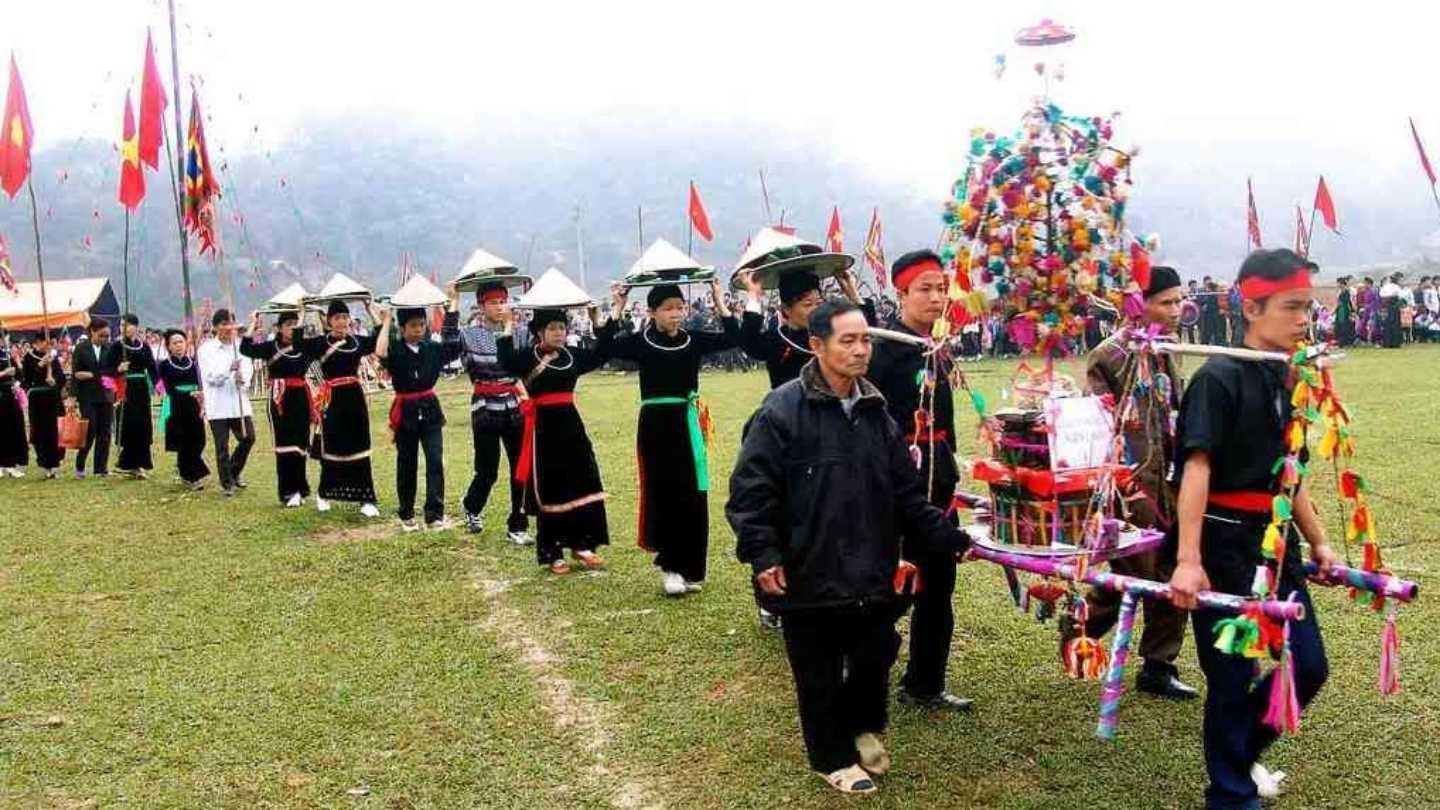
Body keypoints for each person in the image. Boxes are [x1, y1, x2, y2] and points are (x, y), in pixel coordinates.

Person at [727, 298, 970, 795]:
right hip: (807, 564)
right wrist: (764, 554)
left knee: (876, 650)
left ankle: (860, 725)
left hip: (870, 561)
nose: (861, 351)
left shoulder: (876, 411)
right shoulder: (781, 411)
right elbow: (751, 492)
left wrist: (951, 537)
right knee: (816, 671)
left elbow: (906, 494)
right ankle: (832, 758)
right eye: (849, 341)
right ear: (817, 346)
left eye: (866, 340)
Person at [1168, 248, 1337, 810]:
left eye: (1307, 308)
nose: (1302, 320)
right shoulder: (1218, 378)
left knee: (1308, 666)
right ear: (1251, 306)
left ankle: (1241, 751)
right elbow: (1195, 469)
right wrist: (1188, 560)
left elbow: (1292, 472)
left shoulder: (1289, 377)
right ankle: (1232, 794)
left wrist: (1319, 542)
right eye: (1291, 307)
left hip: (1275, 541)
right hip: (1221, 541)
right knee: (1232, 673)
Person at [1061, 266, 1197, 699]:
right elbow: (1095, 420)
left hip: (1172, 480)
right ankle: (1079, 630)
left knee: (1174, 570)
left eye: (1179, 301)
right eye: (1166, 302)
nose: (1177, 310)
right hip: (1129, 484)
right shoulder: (1110, 354)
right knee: (1131, 576)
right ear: (1139, 304)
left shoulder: (1166, 347)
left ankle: (1159, 665)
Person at [866, 249, 972, 712]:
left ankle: (925, 684)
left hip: (938, 480)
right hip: (897, 487)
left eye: (940, 288)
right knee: (891, 588)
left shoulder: (936, 346)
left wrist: (947, 467)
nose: (935, 297)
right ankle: (855, 670)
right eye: (924, 289)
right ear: (901, 292)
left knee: (938, 587)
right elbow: (875, 425)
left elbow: (944, 420)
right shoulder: (883, 350)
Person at [735, 266, 867, 627]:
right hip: (786, 435)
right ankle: (769, 598)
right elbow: (747, 340)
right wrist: (753, 295)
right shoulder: (777, 341)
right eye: (808, 304)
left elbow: (863, 329)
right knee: (781, 515)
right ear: (788, 310)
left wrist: (849, 286)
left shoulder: (834, 341)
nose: (815, 308)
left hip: (832, 434)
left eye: (819, 301)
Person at [598, 279, 740, 597]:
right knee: (665, 492)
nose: (676, 314)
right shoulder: (642, 342)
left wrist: (718, 298)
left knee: (693, 492)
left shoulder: (693, 340)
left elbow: (734, 336)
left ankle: (691, 568)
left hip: (688, 422)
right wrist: (618, 305)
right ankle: (671, 567)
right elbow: (603, 347)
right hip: (655, 425)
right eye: (668, 309)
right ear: (653, 312)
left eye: (680, 307)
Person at [497, 307, 610, 573]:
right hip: (543, 430)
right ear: (539, 332)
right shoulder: (528, 357)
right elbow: (505, 359)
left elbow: (603, 353)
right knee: (551, 487)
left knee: (584, 480)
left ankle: (583, 545)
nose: (558, 333)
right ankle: (552, 552)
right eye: (552, 328)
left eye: (562, 327)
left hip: (572, 426)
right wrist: (507, 325)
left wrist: (596, 319)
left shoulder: (572, 357)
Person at [374, 294, 464, 531]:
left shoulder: (432, 349)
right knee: (407, 463)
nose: (418, 329)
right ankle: (406, 513)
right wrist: (386, 320)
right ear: (402, 328)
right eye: (413, 326)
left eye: (421, 325)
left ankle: (434, 514)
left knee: (435, 460)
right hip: (405, 412)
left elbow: (453, 346)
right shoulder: (395, 350)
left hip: (431, 410)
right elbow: (380, 352)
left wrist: (451, 307)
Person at [459, 282, 530, 542]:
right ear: (481, 306)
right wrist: (452, 302)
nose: (500, 307)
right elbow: (447, 342)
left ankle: (518, 525)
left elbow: (526, 364)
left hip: (514, 405)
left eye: (503, 301)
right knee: (488, 470)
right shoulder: (468, 335)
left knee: (519, 468)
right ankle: (472, 506)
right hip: (485, 407)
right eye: (493, 302)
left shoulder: (522, 333)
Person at [299, 301, 382, 516]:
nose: (342, 321)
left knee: (360, 445)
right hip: (332, 399)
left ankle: (366, 499)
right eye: (337, 318)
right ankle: (325, 494)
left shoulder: (356, 342)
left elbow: (380, 337)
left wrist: (368, 308)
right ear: (329, 321)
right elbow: (299, 344)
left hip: (355, 397)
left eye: (345, 317)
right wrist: (302, 313)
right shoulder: (320, 343)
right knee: (333, 446)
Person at [242, 310, 314, 506]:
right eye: (288, 324)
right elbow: (245, 348)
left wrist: (308, 313)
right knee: (284, 445)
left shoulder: (305, 347)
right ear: (279, 328)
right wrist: (253, 322)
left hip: (301, 397)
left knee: (301, 444)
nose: (292, 327)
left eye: (295, 323)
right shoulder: (269, 347)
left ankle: (300, 488)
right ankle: (288, 492)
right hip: (279, 399)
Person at [198, 309, 256, 496]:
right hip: (218, 405)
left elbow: (249, 371)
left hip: (239, 403)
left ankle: (233, 471)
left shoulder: (241, 347)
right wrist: (228, 369)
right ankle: (227, 484)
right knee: (222, 446)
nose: (227, 328)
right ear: (215, 327)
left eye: (230, 323)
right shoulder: (206, 349)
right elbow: (210, 376)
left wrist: (243, 379)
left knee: (248, 438)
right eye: (223, 324)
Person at [106, 313, 158, 478]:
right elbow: (106, 371)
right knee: (128, 423)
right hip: (124, 388)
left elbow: (152, 368)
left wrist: (160, 386)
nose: (124, 328)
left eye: (127, 325)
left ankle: (140, 464)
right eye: (121, 325)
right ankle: (127, 463)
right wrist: (118, 369)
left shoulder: (144, 346)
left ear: (136, 327)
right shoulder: (116, 346)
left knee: (142, 424)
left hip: (141, 389)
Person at [156, 329, 210, 489]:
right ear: (169, 347)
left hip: (194, 403)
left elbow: (201, 382)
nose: (178, 345)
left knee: (199, 440)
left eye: (181, 342)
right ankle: (191, 476)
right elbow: (166, 386)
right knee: (184, 441)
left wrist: (201, 395)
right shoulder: (165, 365)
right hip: (177, 404)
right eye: (174, 343)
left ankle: (184, 469)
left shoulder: (194, 362)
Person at [70, 318, 115, 479]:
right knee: (90, 429)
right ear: (92, 332)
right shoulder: (81, 349)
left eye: (107, 336)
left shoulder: (110, 349)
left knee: (105, 432)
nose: (105, 339)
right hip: (87, 395)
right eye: (101, 335)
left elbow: (111, 370)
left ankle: (100, 468)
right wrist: (72, 397)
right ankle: (80, 464)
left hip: (106, 395)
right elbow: (76, 373)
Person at [20, 333, 65, 478]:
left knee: (55, 432)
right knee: (41, 433)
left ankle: (55, 464)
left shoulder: (53, 358)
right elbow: (26, 380)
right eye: (46, 342)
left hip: (53, 399)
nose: (48, 345)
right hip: (38, 400)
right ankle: (45, 465)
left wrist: (55, 381)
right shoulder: (29, 358)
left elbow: (62, 378)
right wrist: (40, 365)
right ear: (37, 343)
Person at [0, 327, 28, 476]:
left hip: (10, 396)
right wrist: (4, 373)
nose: (6, 342)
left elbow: (19, 374)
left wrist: (17, 380)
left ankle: (12, 463)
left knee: (14, 428)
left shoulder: (8, 355)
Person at [1379, 273, 1403, 348]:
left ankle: (1387, 342)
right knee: (1395, 324)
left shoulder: (1385, 286)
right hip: (1394, 305)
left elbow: (1381, 294)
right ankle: (1395, 343)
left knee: (1387, 324)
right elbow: (1401, 296)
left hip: (1386, 305)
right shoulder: (1397, 287)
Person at [1333, 276, 1355, 347]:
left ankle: (1344, 342)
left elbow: (1348, 302)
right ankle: (1340, 342)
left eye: (1339, 283)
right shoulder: (1341, 292)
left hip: (1345, 311)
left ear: (1342, 284)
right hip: (1340, 311)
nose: (1338, 285)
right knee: (1339, 326)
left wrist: (1352, 312)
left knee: (1344, 327)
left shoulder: (1347, 292)